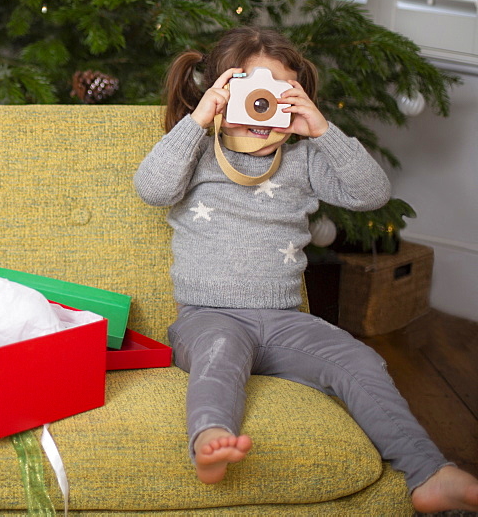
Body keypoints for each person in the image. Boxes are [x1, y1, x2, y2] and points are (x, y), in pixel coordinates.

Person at [133, 26, 478, 513]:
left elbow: (370, 193)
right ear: (219, 90)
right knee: (219, 355)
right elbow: (152, 188)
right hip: (208, 317)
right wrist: (198, 119)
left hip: (285, 321)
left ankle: (428, 472)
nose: (262, 108)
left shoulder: (302, 158)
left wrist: (321, 129)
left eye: (277, 95)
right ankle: (211, 441)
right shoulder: (196, 151)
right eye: (249, 92)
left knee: (360, 361)